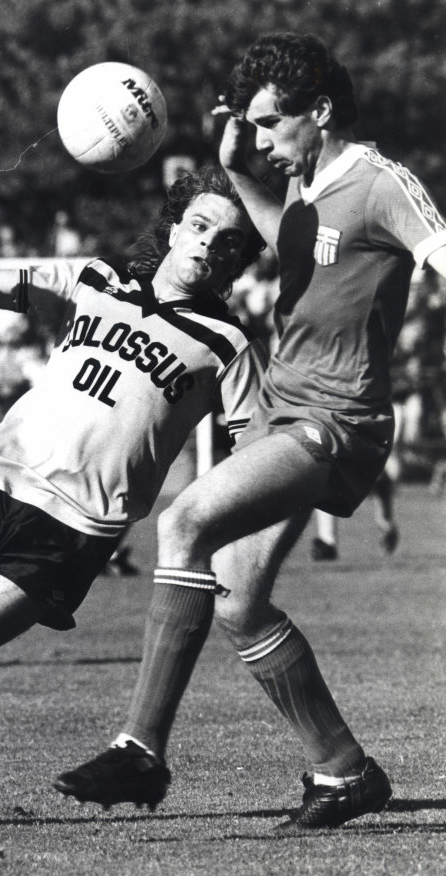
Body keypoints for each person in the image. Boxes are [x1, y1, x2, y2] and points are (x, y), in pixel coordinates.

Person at [55, 32, 446, 829]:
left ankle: (141, 750)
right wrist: (235, 165)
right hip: (284, 409)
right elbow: (290, 239)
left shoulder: (380, 184)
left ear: (322, 112)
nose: (263, 141)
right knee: (235, 603)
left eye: (270, 125)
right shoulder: (304, 187)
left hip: (337, 421)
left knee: (186, 518)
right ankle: (344, 771)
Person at [0, 168, 268, 783]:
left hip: (69, 540)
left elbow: (258, 453)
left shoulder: (227, 345)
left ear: (240, 258)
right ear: (175, 227)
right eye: (201, 225)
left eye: (230, 239)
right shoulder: (94, 280)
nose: (210, 244)